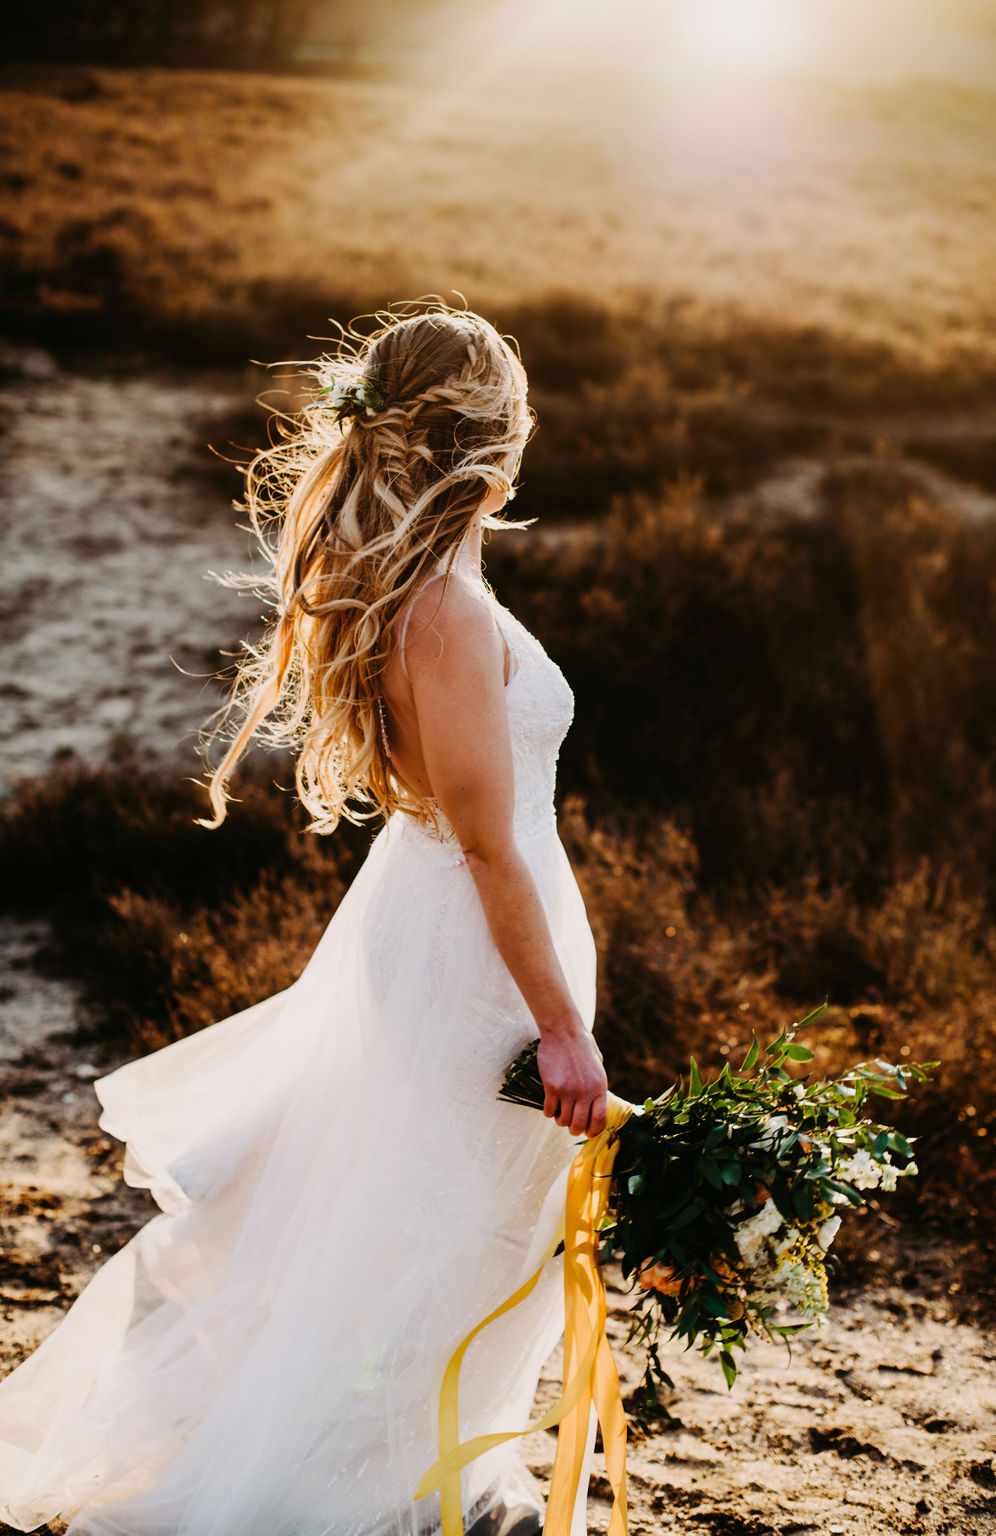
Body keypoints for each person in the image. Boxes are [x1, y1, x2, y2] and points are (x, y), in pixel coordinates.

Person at [0, 303, 608, 1536]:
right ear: (495, 436)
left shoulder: (432, 580)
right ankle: (343, 1495)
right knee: (436, 1229)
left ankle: (423, 1475)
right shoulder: (441, 603)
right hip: (472, 959)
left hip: (444, 932)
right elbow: (490, 840)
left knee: (437, 1219)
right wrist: (561, 1029)